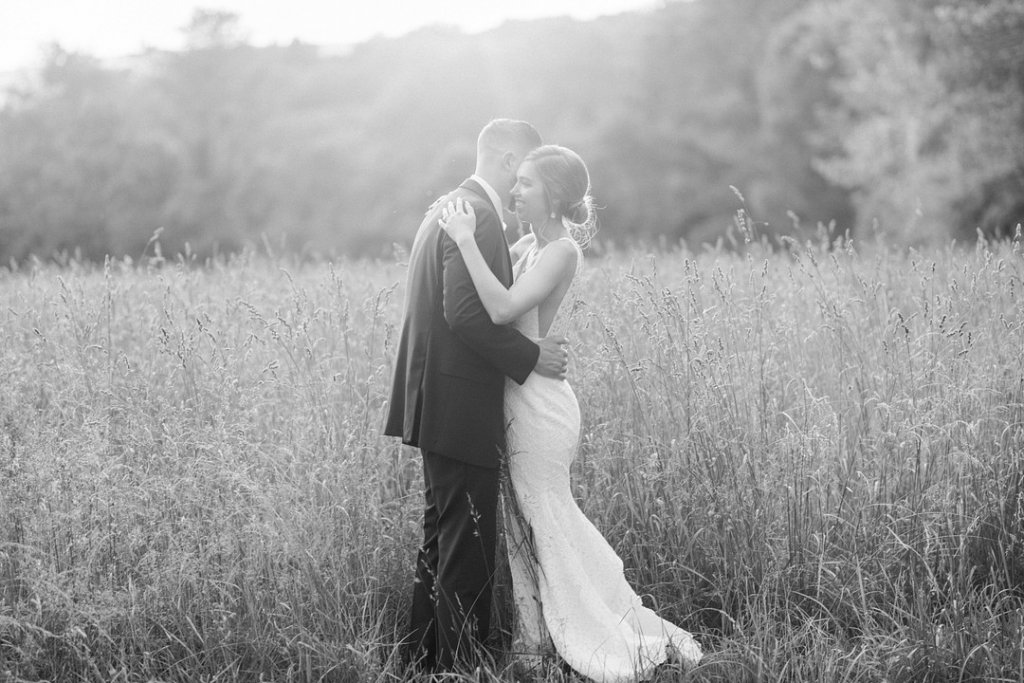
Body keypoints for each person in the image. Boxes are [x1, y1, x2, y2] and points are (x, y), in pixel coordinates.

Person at [438, 144, 703, 681]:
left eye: (527, 184)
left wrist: (464, 239)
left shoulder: (561, 251)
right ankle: (532, 639)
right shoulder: (524, 244)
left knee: (542, 511)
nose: (515, 190)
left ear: (555, 196)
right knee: (519, 517)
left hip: (540, 403)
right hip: (516, 390)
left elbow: (503, 309)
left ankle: (567, 633)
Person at [384, 119, 571, 673]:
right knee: (467, 544)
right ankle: (463, 666)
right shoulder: (479, 217)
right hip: (458, 403)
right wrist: (530, 357)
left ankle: (424, 661)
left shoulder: (450, 206)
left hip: (433, 397)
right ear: (511, 160)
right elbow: (466, 313)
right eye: (528, 171)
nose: (522, 188)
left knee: (442, 538)